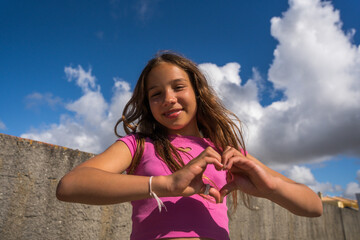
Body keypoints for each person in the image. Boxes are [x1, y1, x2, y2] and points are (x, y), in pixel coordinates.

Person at [56, 51, 323, 240]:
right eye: (156, 94)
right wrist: (166, 184)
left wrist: (270, 188)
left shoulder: (224, 152)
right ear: (148, 104)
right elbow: (70, 186)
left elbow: (313, 206)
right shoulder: (138, 145)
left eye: (178, 87)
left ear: (197, 92)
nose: (168, 99)